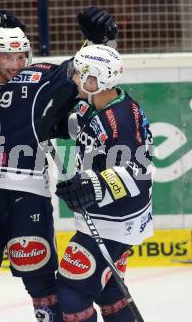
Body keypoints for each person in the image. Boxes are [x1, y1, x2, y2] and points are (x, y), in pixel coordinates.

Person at [0, 8, 118, 322]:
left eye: (20, 57)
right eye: (6, 58)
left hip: (28, 194)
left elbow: (86, 66)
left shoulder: (41, 76)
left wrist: (99, 39)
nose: (15, 65)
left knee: (41, 281)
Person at [55, 45, 154, 321]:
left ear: (94, 80)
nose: (74, 77)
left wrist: (91, 186)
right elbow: (83, 123)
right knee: (109, 292)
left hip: (115, 221)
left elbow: (136, 170)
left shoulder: (118, 119)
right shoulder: (102, 103)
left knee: (72, 292)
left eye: (80, 74)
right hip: (115, 218)